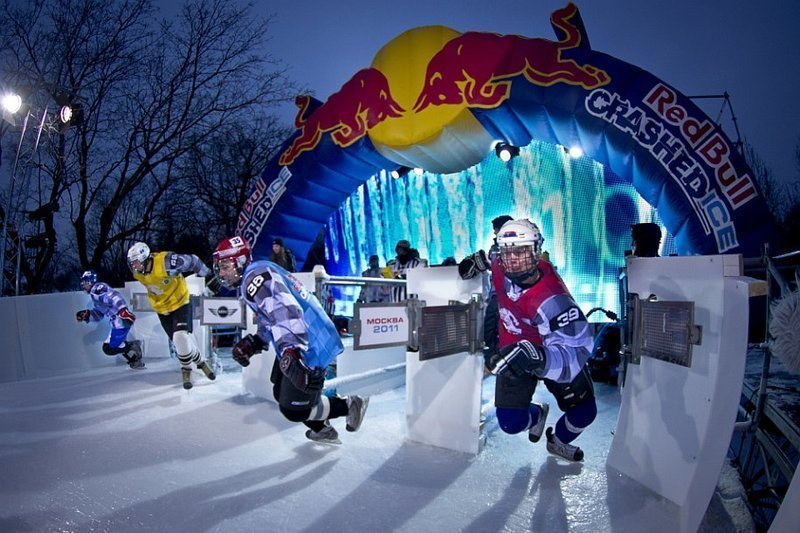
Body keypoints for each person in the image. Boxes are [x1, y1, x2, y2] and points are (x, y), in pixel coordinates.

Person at [460, 219, 597, 462]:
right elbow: (488, 258)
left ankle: (559, 441)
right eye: (506, 251)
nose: (512, 259)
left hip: (550, 353)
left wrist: (536, 356)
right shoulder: (499, 263)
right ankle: (538, 415)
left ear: (536, 251)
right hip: (512, 353)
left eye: (521, 251)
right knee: (511, 423)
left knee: (584, 412)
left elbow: (577, 350)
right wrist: (473, 262)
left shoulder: (553, 299)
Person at [212, 235, 369, 444]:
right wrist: (257, 341)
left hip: (309, 342)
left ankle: (349, 405)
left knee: (293, 409)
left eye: (225, 266)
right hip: (302, 338)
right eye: (220, 267)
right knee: (280, 391)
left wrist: (292, 352)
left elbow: (286, 310)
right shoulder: (257, 272)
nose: (222, 273)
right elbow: (272, 315)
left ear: (240, 262)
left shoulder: (254, 277)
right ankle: (322, 429)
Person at [126, 241, 216, 390]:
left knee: (180, 336)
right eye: (131, 263)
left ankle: (185, 369)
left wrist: (208, 275)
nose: (133, 267)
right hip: (162, 309)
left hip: (180, 302)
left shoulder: (166, 263)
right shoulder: (137, 273)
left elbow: (193, 260)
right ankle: (200, 362)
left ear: (144, 258)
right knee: (180, 342)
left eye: (135, 262)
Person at [75, 270, 145, 369]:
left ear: (90, 282)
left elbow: (114, 296)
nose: (82, 285)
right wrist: (87, 315)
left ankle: (134, 347)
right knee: (114, 346)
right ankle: (135, 361)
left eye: (84, 282)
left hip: (120, 321)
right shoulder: (94, 295)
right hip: (118, 322)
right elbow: (99, 314)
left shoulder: (97, 289)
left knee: (109, 348)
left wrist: (123, 310)